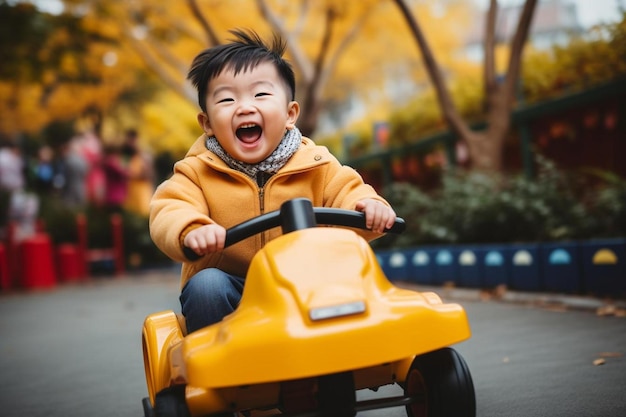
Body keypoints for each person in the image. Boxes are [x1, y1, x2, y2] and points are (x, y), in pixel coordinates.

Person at [149, 29, 396, 334]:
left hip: (306, 281)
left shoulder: (317, 164)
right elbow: (170, 208)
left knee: (350, 271)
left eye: (261, 94)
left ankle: (345, 353)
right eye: (226, 99)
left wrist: (370, 207)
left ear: (290, 113)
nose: (244, 107)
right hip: (233, 288)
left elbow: (347, 191)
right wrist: (191, 230)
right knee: (207, 286)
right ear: (208, 123)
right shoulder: (196, 172)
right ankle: (222, 371)